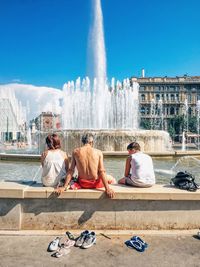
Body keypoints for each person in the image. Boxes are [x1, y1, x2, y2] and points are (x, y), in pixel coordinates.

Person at [55, 134, 115, 198]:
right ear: (91, 142)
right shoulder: (98, 152)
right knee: (112, 179)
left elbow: (71, 170)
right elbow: (101, 171)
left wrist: (64, 187)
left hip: (82, 183)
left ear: (83, 142)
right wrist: (107, 189)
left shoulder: (76, 151)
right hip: (96, 184)